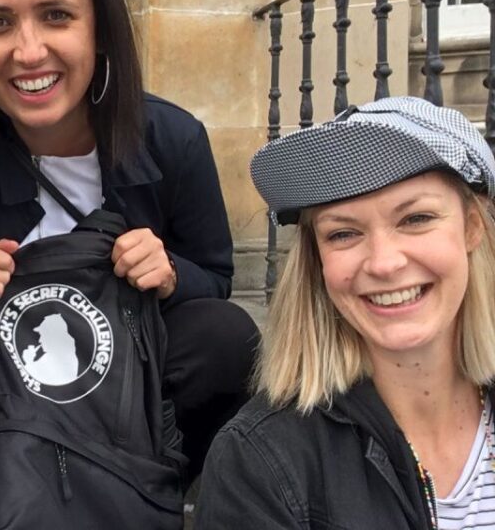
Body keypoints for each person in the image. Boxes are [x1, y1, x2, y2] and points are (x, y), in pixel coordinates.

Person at [0, 0, 258, 480]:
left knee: (224, 335)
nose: (29, 52)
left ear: (99, 26)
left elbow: (216, 278)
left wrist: (170, 272)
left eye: (56, 15)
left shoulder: (172, 139)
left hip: (126, 399)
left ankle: (150, 488)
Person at [195, 96, 495, 529]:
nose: (384, 262)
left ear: (471, 227)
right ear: (318, 262)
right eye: (344, 233)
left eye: (415, 218)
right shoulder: (260, 462)